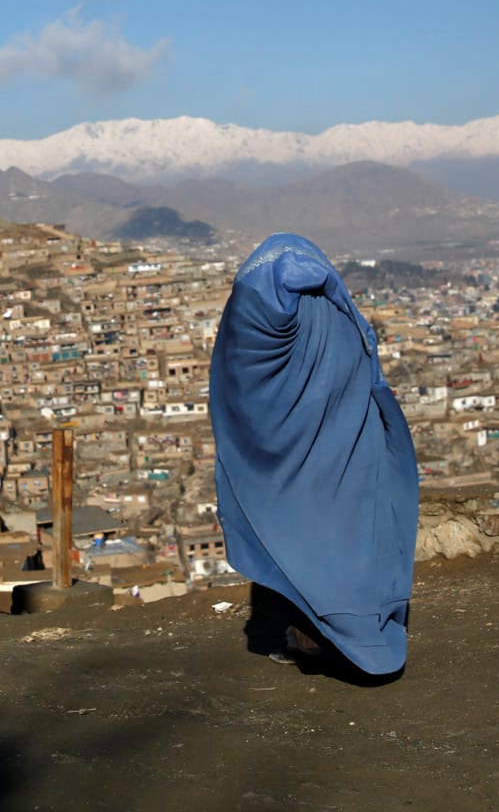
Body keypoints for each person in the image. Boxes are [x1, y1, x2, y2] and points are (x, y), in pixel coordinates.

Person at [210, 233, 419, 676]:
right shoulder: (335, 316)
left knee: (297, 546)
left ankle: (312, 638)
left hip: (285, 468)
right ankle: (363, 630)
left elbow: (238, 382)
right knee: (348, 536)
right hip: (344, 448)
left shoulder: (255, 317)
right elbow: (364, 370)